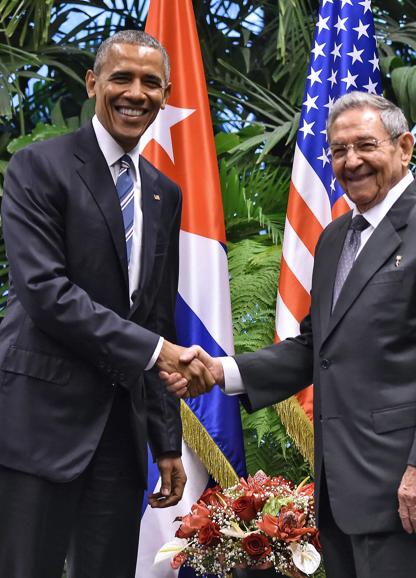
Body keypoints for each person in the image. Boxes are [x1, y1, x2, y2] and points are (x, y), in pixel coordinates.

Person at [163, 92, 416, 578]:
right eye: (338, 150)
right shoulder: (336, 238)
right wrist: (220, 371)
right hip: (341, 489)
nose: (351, 161)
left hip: (408, 488)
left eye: (365, 145)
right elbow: (319, 347)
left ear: (404, 147)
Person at [0, 30, 212, 578]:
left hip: (119, 435)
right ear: (94, 83)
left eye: (151, 83)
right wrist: (157, 350)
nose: (135, 93)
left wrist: (166, 440)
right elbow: (46, 294)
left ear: (165, 95)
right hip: (38, 426)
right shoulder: (37, 167)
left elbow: (156, 315)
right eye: (121, 78)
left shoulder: (165, 192)